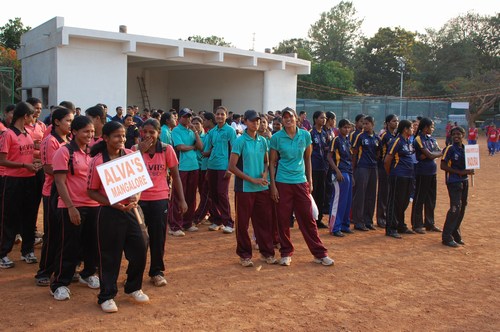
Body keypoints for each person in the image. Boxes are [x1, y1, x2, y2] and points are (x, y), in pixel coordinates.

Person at [87, 121, 149, 313]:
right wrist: (111, 203)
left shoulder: (131, 156)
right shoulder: (98, 161)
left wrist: (136, 197)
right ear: (105, 138)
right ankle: (106, 296)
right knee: (109, 256)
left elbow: (139, 183)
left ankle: (133, 287)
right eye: (116, 136)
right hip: (109, 213)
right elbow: (91, 191)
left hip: (132, 211)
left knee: (141, 246)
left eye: (123, 136)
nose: (121, 139)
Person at [269, 107, 333, 267]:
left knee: (308, 218)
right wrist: (273, 186)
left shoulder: (305, 135)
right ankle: (285, 253)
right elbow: (271, 163)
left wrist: (309, 180)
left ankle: (320, 253)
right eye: (284, 117)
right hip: (282, 182)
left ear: (296, 118)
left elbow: (308, 159)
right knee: (283, 219)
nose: (287, 119)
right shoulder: (276, 137)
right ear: (282, 120)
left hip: (300, 181)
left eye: (290, 116)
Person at [49, 116, 100, 300]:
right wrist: (71, 207)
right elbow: (59, 182)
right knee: (69, 246)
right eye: (86, 131)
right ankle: (60, 283)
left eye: (92, 131)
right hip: (72, 206)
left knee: (91, 244)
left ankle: (88, 274)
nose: (90, 135)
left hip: (93, 205)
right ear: (75, 132)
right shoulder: (64, 152)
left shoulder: (92, 153)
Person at [133, 118, 187, 286]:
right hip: (138, 201)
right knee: (137, 239)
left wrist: (181, 200)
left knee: (157, 238)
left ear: (158, 133)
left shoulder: (166, 149)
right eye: (145, 132)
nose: (148, 135)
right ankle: (133, 273)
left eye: (152, 132)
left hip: (159, 199)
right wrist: (138, 153)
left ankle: (156, 271)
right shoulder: (134, 150)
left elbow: (175, 175)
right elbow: (127, 172)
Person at [228, 110, 277, 267]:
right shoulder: (240, 141)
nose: (255, 123)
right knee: (242, 223)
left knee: (263, 222)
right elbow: (232, 166)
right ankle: (244, 255)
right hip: (244, 188)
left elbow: (266, 161)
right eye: (252, 120)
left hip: (261, 188)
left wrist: (263, 174)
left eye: (258, 120)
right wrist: (251, 179)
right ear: (246, 122)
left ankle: (266, 253)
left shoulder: (263, 141)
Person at [0, 102, 43, 268]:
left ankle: (27, 251)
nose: (34, 119)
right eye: (32, 115)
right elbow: (3, 160)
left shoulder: (27, 134)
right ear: (25, 116)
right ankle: (3, 253)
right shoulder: (8, 134)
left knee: (30, 215)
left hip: (29, 178)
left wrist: (36, 162)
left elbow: (26, 156)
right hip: (12, 180)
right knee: (9, 217)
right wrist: (25, 166)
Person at [35, 107, 73, 286]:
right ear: (57, 122)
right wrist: (68, 173)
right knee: (52, 234)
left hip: (68, 191)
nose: (70, 124)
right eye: (68, 121)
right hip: (52, 191)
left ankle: (62, 268)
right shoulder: (50, 141)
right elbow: (48, 168)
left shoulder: (70, 140)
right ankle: (44, 271)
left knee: (65, 235)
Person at [203, 106, 237, 233]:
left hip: (224, 167)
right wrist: (206, 169)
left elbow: (234, 150)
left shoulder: (230, 131)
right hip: (212, 166)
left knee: (222, 194)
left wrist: (230, 169)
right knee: (213, 194)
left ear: (226, 116)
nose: (220, 116)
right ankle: (217, 220)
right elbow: (208, 150)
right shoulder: (212, 132)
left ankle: (228, 222)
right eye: (217, 114)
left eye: (222, 114)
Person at [170, 108, 203, 236]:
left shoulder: (191, 131)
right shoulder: (176, 130)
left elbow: (200, 147)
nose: (188, 119)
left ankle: (187, 223)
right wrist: (193, 147)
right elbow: (180, 147)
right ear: (180, 118)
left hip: (193, 166)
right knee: (179, 195)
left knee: (191, 195)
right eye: (185, 116)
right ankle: (175, 225)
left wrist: (195, 132)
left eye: (189, 116)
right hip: (181, 167)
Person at [440, 126, 474, 247]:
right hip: (454, 181)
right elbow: (443, 166)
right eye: (454, 134)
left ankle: (455, 232)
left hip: (464, 181)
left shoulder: (466, 149)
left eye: (458, 134)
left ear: (463, 135)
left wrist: (470, 170)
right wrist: (459, 172)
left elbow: (470, 164)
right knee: (455, 207)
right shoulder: (450, 149)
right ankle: (446, 236)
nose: (456, 136)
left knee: (462, 207)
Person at [384, 120, 416, 239]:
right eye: (411, 128)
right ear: (405, 130)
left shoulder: (408, 141)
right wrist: (391, 174)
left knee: (404, 201)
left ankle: (400, 225)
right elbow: (387, 160)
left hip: (408, 176)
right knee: (395, 202)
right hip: (398, 175)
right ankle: (391, 228)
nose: (413, 130)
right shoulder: (397, 141)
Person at [411, 118, 443, 234]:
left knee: (431, 198)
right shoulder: (419, 139)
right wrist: (432, 154)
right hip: (422, 172)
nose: (432, 129)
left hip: (432, 171)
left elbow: (439, 152)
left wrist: (431, 154)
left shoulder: (432, 139)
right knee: (420, 198)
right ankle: (417, 224)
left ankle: (430, 223)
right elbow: (429, 154)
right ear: (425, 127)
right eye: (431, 126)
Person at [351, 115, 380, 231]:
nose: (364, 126)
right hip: (362, 167)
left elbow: (378, 153)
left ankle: (368, 220)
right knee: (360, 195)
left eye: (367, 123)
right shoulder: (359, 137)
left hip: (373, 168)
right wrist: (353, 169)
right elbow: (354, 153)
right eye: (363, 123)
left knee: (371, 195)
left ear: (373, 124)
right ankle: (358, 221)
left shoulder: (377, 138)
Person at [327, 119, 354, 237]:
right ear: (339, 128)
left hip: (348, 172)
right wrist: (336, 171)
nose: (347, 130)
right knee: (338, 201)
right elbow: (329, 156)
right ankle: (335, 226)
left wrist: (352, 175)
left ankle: (344, 224)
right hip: (339, 172)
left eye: (348, 127)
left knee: (347, 200)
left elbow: (349, 159)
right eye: (344, 127)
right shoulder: (336, 140)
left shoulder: (348, 140)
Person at [193, 112, 216, 224]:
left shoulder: (213, 133)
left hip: (208, 166)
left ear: (209, 121)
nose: (203, 122)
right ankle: (212, 216)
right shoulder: (209, 133)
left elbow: (213, 148)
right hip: (204, 166)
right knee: (206, 193)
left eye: (204, 120)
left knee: (206, 194)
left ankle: (198, 217)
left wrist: (206, 153)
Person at [376, 114, 398, 228]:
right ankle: (381, 218)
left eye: (397, 121)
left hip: (393, 167)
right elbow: (378, 150)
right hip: (384, 167)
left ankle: (388, 216)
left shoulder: (396, 135)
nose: (396, 123)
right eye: (394, 121)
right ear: (388, 123)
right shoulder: (384, 135)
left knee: (390, 193)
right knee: (383, 193)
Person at [310, 111, 329, 229]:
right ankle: (310, 219)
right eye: (322, 118)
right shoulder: (311, 133)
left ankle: (319, 219)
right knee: (313, 193)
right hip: (313, 167)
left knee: (321, 194)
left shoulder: (325, 133)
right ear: (315, 119)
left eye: (325, 118)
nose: (324, 120)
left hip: (323, 167)